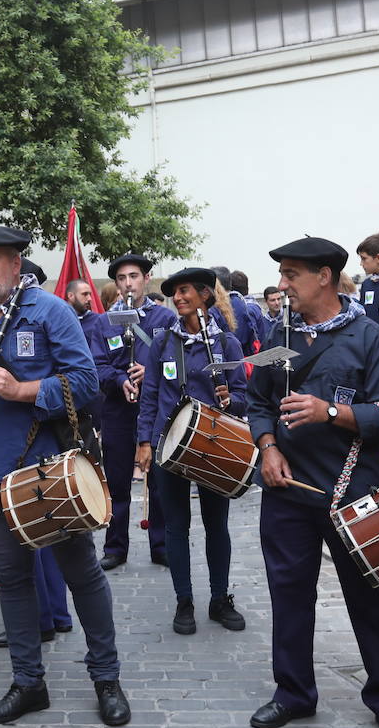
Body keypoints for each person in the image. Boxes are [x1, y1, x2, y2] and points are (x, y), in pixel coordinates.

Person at [0, 226, 130, 727]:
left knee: (81, 574)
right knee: (15, 583)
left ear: (16, 265)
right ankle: (29, 684)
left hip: (50, 472)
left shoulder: (50, 310)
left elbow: (87, 382)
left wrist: (21, 390)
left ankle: (106, 679)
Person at [244, 237, 379, 728]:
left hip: (353, 491)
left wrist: (330, 413)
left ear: (324, 277)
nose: (282, 284)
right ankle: (294, 693)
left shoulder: (368, 337)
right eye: (282, 274)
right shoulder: (279, 336)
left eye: (292, 274)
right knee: (289, 596)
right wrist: (268, 446)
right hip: (288, 492)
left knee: (369, 599)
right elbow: (257, 403)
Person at [134, 267, 249, 635]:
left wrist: (231, 400)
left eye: (185, 291)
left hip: (213, 447)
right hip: (170, 447)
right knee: (176, 526)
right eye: (174, 293)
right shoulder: (163, 344)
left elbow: (245, 397)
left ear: (204, 295)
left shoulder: (227, 344)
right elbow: (150, 395)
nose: (178, 298)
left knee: (217, 525)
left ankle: (219, 599)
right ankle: (184, 601)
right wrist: (145, 442)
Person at [100, 253, 177, 570]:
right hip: (118, 409)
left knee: (159, 481)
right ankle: (115, 546)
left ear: (146, 279)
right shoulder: (104, 321)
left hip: (155, 409)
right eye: (121, 278)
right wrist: (120, 380)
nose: (128, 283)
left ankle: (161, 545)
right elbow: (97, 366)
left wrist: (153, 372)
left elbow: (176, 363)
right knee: (116, 482)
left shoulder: (164, 319)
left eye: (133, 276)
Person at [64, 278, 120, 433]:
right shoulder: (58, 321)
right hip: (66, 391)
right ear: (70, 296)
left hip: (93, 393)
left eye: (90, 294)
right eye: (84, 294)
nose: (89, 298)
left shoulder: (97, 321)